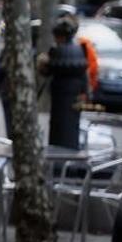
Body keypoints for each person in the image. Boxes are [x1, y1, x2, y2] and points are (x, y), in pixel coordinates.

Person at [40, 15, 89, 149]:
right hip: (72, 97)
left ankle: (60, 157)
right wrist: (85, 93)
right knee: (69, 130)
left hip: (61, 97)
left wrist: (43, 64)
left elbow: (47, 71)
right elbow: (84, 75)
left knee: (60, 130)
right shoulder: (79, 50)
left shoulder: (57, 51)